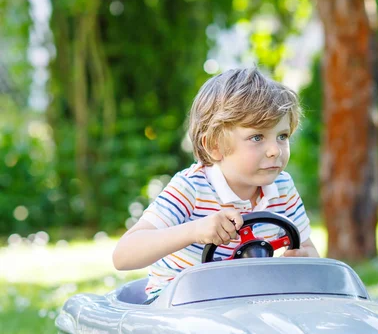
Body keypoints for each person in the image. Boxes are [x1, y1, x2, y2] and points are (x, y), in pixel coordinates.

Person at [112, 67, 319, 302]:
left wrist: (301, 263)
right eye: (257, 137)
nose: (275, 151)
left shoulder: (282, 187)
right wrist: (194, 231)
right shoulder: (191, 187)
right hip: (178, 305)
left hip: (249, 299)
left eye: (282, 136)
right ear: (214, 146)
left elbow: (309, 251)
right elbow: (123, 255)